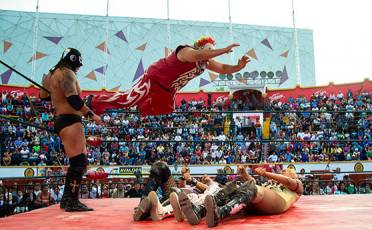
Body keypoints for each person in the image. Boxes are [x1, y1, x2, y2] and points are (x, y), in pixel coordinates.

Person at [88, 36, 250, 116]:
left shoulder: (205, 61)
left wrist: (238, 66)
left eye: (211, 49)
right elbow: (200, 55)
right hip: (155, 77)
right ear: (200, 48)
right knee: (127, 100)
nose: (210, 52)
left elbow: (222, 68)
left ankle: (141, 107)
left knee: (167, 109)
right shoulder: (187, 52)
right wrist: (223, 49)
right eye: (208, 49)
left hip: (168, 89)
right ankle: (93, 101)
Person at [40, 48, 103, 212]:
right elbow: (73, 99)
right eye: (78, 65)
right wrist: (92, 115)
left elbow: (43, 96)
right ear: (74, 61)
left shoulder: (52, 74)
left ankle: (67, 199)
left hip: (63, 119)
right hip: (70, 120)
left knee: (78, 161)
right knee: (79, 162)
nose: (78, 69)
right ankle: (71, 201)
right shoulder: (67, 73)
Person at [204, 165, 303, 228]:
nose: (282, 172)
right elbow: (252, 183)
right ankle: (201, 211)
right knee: (233, 186)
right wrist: (244, 174)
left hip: (278, 203)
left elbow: (288, 181)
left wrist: (266, 174)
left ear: (292, 175)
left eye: (285, 171)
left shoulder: (297, 186)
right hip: (260, 202)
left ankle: (220, 213)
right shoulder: (273, 183)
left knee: (254, 188)